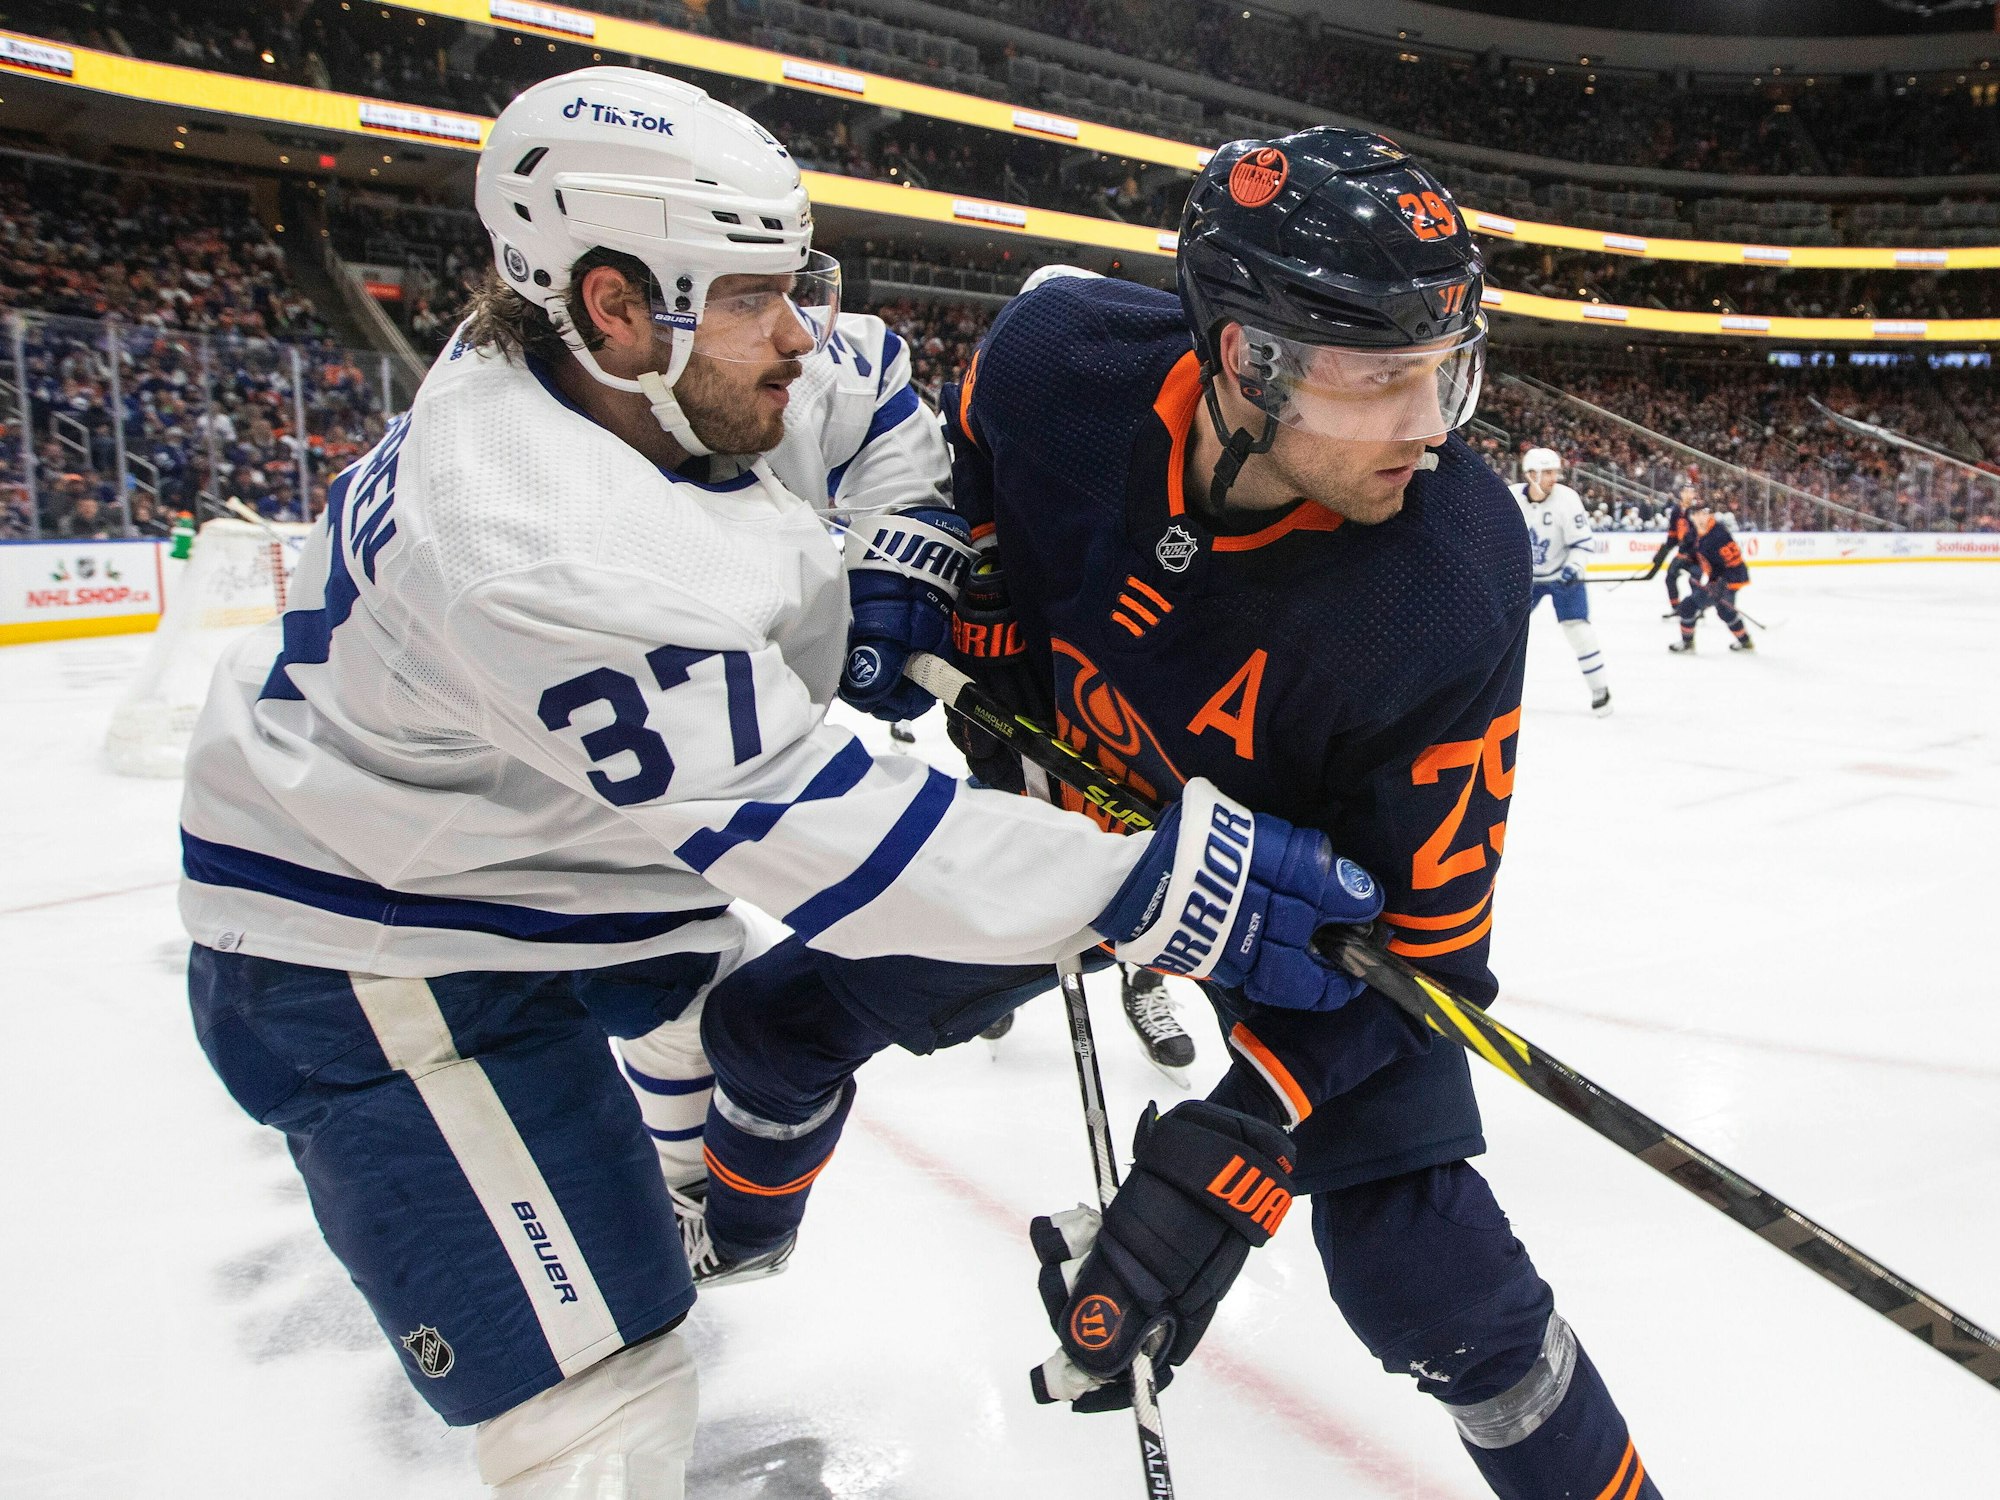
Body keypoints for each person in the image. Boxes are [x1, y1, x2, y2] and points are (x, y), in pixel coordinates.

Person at [175, 68, 1368, 1500]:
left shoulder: (654, 377)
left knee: (713, 1033)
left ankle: (689, 1215)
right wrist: (1160, 888)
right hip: (379, 943)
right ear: (616, 304)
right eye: (752, 297)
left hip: (570, 870)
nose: (796, 331)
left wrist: (903, 549)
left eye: (790, 281)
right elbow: (837, 843)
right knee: (599, 1397)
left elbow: (877, 397)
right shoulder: (529, 537)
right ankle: (602, 1286)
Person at [939, 131, 1662, 1500]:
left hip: (1300, 912)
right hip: (1075, 817)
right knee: (801, 1002)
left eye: (1448, 369)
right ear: (1248, 360)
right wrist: (968, 570)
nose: (1437, 423)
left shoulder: (1448, 570)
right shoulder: (1057, 357)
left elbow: (1424, 960)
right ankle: (715, 1218)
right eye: (1386, 379)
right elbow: (979, 447)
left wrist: (1244, 1136)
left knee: (1425, 1271)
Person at [1511, 446, 1611, 715]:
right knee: (1503, 633)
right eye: (1549, 472)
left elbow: (1581, 543)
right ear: (1532, 474)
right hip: (1525, 579)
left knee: (1578, 630)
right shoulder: (1511, 498)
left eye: (1555, 471)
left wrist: (1574, 568)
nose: (1555, 478)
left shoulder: (1567, 499)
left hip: (1562, 575)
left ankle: (1600, 690)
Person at [1669, 499, 1754, 653]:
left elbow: (1734, 562)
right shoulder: (1695, 532)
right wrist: (1683, 560)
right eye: (1698, 514)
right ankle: (1745, 641)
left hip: (1730, 578)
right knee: (1725, 611)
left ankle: (1687, 643)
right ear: (1691, 517)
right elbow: (1690, 550)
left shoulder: (1718, 535)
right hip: (1717, 578)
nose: (1702, 517)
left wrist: (1722, 584)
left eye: (1705, 513)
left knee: (1688, 606)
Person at [1645, 481, 1702, 606]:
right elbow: (1673, 534)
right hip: (1682, 553)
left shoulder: (1698, 510)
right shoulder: (1676, 510)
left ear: (1694, 495)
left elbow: (1701, 533)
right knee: (1670, 577)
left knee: (1694, 580)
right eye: (1685, 491)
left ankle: (1696, 607)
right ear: (1681, 493)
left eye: (1691, 492)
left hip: (1697, 553)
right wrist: (1663, 551)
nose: (1688, 494)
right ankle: (1676, 606)